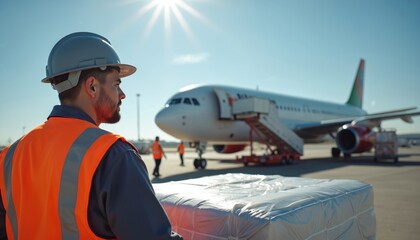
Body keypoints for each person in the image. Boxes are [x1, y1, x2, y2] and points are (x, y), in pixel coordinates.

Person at [0, 32, 182, 239]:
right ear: (92, 87)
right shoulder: (113, 155)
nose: (122, 94)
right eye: (116, 84)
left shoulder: (9, 155)